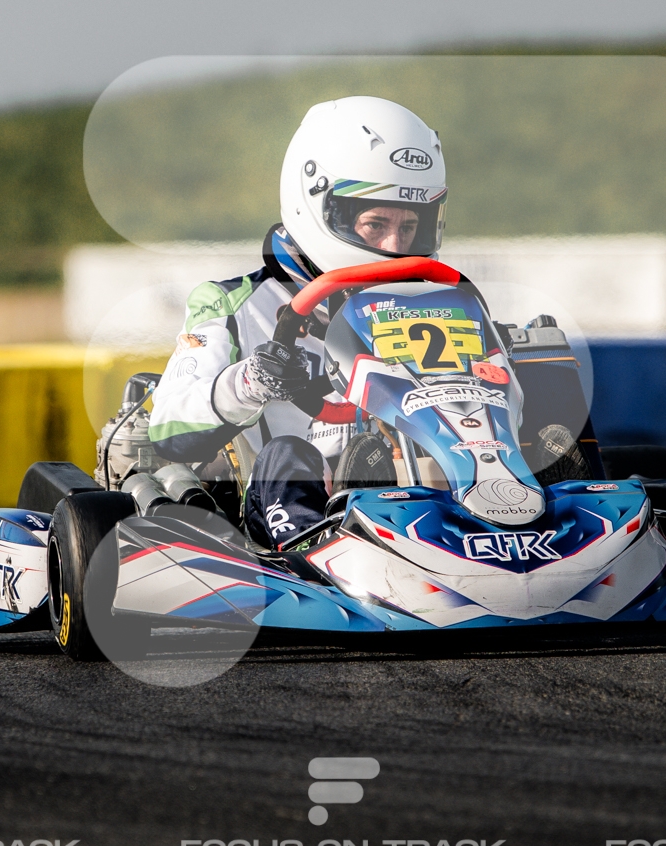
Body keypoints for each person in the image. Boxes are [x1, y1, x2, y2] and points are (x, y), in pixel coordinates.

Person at [143, 94, 447, 547]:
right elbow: (169, 428)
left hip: (411, 498)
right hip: (286, 512)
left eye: (409, 227)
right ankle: (317, 553)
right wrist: (251, 382)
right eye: (376, 224)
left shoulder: (433, 306)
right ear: (319, 206)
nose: (395, 246)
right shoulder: (234, 304)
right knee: (289, 455)